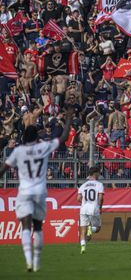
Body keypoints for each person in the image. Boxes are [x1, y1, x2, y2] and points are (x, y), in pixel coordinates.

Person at [0, 110, 72, 272]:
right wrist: (68, 119)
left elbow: (3, 169)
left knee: (25, 226)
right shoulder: (43, 147)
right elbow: (64, 138)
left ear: (24, 137)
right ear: (36, 137)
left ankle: (28, 260)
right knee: (38, 227)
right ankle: (38, 261)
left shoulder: (18, 151)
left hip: (25, 191)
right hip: (40, 191)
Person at [77, 166, 104, 254]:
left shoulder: (83, 185)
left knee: (82, 231)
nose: (99, 174)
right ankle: (91, 229)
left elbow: (78, 198)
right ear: (95, 173)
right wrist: (100, 207)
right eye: (99, 172)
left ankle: (83, 247)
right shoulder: (99, 184)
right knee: (98, 228)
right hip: (94, 207)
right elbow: (100, 198)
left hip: (84, 208)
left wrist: (84, 202)